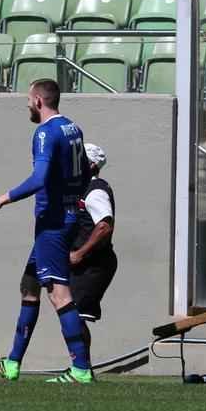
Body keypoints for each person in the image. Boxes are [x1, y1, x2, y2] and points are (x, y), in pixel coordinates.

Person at [0, 79, 94, 384]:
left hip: (53, 223)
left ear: (39, 102)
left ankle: (80, 369)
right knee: (29, 286)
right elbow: (85, 171)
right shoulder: (73, 127)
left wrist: (1, 200)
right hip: (65, 216)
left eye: (29, 100)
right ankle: (13, 363)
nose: (28, 105)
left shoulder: (44, 132)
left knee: (59, 294)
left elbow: (39, 178)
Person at [69, 142, 118, 356]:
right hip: (83, 263)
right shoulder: (78, 189)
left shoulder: (95, 191)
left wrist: (80, 253)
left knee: (75, 316)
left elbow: (104, 226)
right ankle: (80, 366)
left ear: (91, 165)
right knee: (70, 315)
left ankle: (82, 368)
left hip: (94, 264)